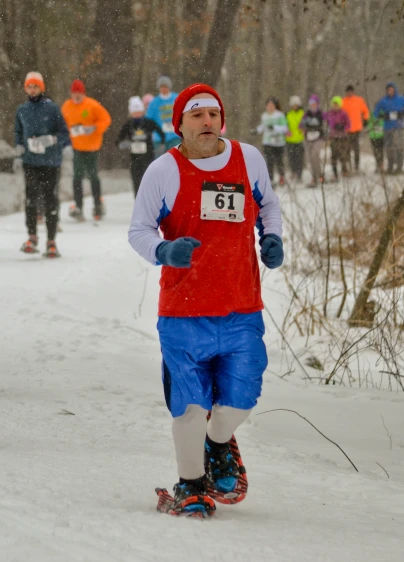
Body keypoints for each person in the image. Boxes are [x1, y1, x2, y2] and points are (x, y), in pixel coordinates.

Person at [128, 83, 283, 517]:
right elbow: (138, 230)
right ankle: (190, 484)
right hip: (184, 311)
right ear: (179, 124)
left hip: (240, 305)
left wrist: (271, 237)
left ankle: (219, 444)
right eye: (196, 115)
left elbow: (268, 205)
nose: (207, 122)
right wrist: (164, 251)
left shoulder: (248, 158)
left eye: (213, 114)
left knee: (242, 399)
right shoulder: (163, 171)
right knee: (191, 405)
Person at [14, 71, 70, 258]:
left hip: (51, 162)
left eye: (35, 86)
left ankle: (51, 241)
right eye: (29, 86)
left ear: (41, 87)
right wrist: (19, 148)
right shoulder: (21, 110)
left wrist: (52, 139)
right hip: (30, 161)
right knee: (31, 199)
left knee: (50, 199)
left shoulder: (52, 108)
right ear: (25, 88)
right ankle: (32, 237)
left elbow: (64, 133)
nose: (32, 89)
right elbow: (17, 132)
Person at [61, 79, 112, 221]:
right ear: (71, 94)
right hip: (76, 147)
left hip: (92, 147)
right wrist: (65, 143)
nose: (77, 96)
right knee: (77, 177)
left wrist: (95, 128)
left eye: (79, 93)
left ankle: (98, 205)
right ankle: (78, 206)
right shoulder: (66, 106)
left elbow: (106, 119)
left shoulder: (92, 105)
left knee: (93, 176)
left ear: (84, 93)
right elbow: (62, 125)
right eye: (74, 93)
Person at [115, 96, 165, 198]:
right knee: (136, 180)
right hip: (135, 158)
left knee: (149, 179)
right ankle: (138, 202)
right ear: (131, 113)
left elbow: (161, 132)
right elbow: (118, 140)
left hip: (148, 156)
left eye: (139, 111)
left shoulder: (148, 122)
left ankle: (152, 200)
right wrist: (123, 144)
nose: (137, 114)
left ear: (142, 111)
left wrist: (161, 144)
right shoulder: (128, 124)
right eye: (135, 112)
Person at [374, 82, 404, 174]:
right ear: (386, 91)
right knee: (389, 148)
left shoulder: (401, 99)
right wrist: (384, 115)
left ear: (395, 90)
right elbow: (376, 113)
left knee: (399, 147)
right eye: (388, 90)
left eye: (392, 90)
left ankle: (399, 168)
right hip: (387, 127)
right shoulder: (383, 101)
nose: (390, 91)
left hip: (398, 127)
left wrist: (402, 114)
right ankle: (390, 167)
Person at [255, 97, 288, 186]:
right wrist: (257, 130)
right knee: (269, 161)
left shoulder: (280, 115)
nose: (270, 107)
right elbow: (263, 126)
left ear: (275, 106)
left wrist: (274, 127)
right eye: (268, 105)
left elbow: (285, 128)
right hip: (267, 142)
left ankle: (281, 176)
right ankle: (271, 180)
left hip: (278, 142)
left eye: (272, 105)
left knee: (279, 161)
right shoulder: (264, 115)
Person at [145, 76, 179, 154]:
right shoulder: (154, 102)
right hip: (159, 137)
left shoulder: (176, 98)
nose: (164, 89)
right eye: (162, 87)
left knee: (175, 158)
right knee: (159, 161)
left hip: (174, 136)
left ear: (169, 87)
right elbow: (149, 119)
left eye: (165, 86)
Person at [341, 85, 370, 173]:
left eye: (351, 91)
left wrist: (365, 120)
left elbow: (366, 111)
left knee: (356, 149)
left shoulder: (359, 100)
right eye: (348, 91)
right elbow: (340, 114)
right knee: (347, 150)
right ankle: (349, 166)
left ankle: (356, 167)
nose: (349, 93)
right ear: (346, 92)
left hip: (357, 129)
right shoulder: (343, 101)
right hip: (347, 130)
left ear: (353, 92)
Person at [300, 95, 326, 187]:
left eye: (314, 104)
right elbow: (301, 124)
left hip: (318, 138)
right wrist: (303, 128)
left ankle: (320, 175)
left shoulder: (321, 113)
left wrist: (327, 131)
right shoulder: (307, 114)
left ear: (317, 104)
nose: (313, 105)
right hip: (308, 138)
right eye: (311, 104)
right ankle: (314, 177)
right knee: (310, 158)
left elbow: (329, 121)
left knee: (315, 155)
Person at [325, 96, 351, 181]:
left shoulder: (343, 113)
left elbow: (348, 124)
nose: (335, 106)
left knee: (343, 155)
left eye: (337, 104)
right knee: (334, 156)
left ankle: (344, 171)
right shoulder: (330, 114)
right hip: (333, 137)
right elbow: (327, 123)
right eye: (334, 104)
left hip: (342, 137)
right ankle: (335, 173)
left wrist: (343, 127)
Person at [285, 95, 305, 182]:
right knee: (291, 158)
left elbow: (306, 124)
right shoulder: (288, 114)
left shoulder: (303, 114)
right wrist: (286, 131)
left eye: (296, 104)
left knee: (300, 158)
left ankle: (299, 174)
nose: (295, 106)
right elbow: (284, 125)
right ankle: (293, 172)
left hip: (300, 139)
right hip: (290, 140)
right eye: (293, 105)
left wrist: (304, 130)